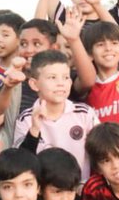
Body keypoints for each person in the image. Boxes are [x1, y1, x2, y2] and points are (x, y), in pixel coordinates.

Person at [14, 50, 99, 180]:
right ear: (34, 84)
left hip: (79, 190)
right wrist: (34, 129)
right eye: (52, 77)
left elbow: (101, 150)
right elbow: (21, 162)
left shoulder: (84, 114)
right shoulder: (25, 119)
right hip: (41, 193)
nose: (61, 83)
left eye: (65, 77)